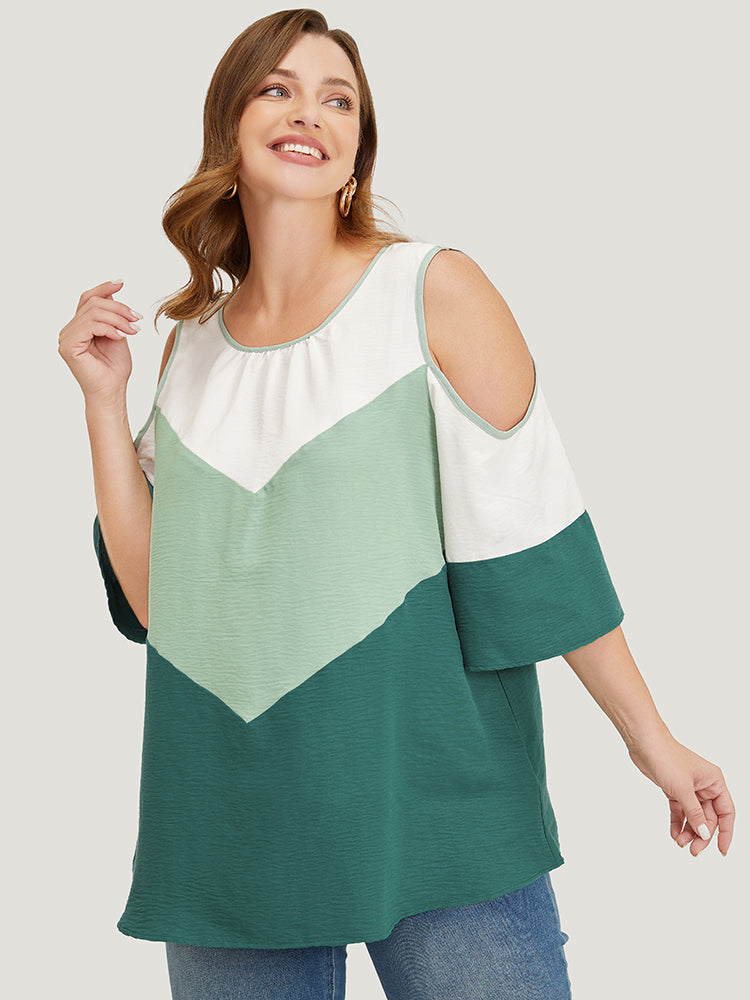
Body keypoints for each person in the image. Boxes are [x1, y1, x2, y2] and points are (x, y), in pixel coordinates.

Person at [58, 8, 735, 1000]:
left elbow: (535, 540)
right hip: (231, 825)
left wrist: (652, 741)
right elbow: (165, 604)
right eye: (278, 88)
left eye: (339, 100)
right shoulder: (190, 345)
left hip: (436, 806)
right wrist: (103, 404)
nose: (310, 112)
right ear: (230, 127)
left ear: (356, 150)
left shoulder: (432, 291)